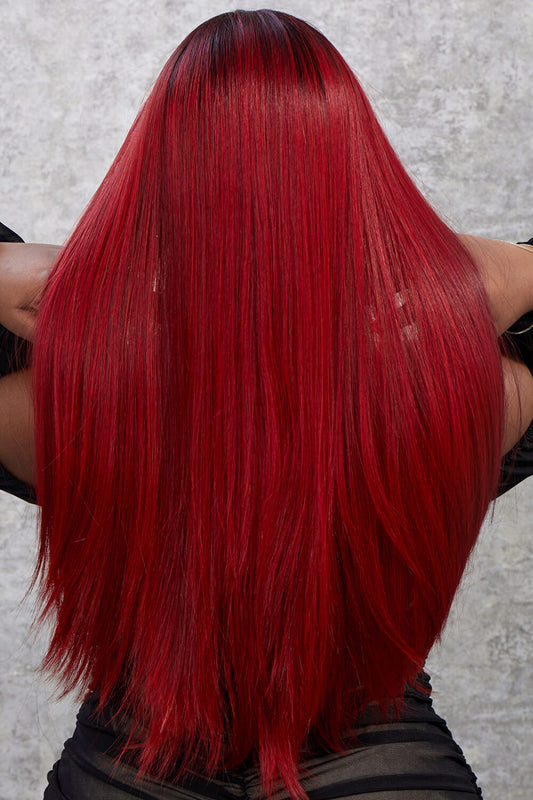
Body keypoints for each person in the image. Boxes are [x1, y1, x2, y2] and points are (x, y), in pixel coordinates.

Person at [0, 9, 532, 800]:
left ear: (158, 165)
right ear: (356, 167)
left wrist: (33, 272)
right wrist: (499, 273)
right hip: (385, 769)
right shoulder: (481, 390)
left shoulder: (51, 402)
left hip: (131, 767)